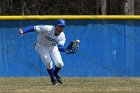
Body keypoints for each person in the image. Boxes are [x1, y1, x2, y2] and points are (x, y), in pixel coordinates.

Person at [19, 19, 67, 85]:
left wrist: (65, 49)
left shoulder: (62, 36)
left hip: (53, 47)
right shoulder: (47, 28)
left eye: (63, 27)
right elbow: (34, 28)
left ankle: (55, 73)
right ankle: (53, 79)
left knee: (60, 63)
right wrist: (23, 31)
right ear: (55, 26)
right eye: (60, 26)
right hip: (41, 45)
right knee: (48, 62)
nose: (61, 28)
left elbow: (60, 47)